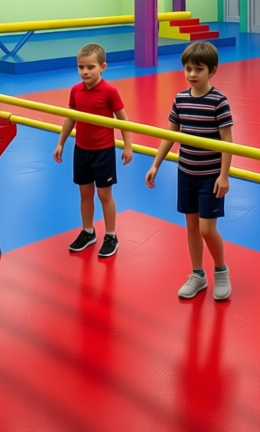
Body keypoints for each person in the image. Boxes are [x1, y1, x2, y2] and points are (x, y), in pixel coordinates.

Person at [146, 42, 234, 301]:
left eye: (199, 69)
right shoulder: (180, 98)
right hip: (186, 173)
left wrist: (224, 175)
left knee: (207, 229)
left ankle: (221, 270)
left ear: (212, 71)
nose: (192, 74)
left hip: (210, 176)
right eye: (188, 69)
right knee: (192, 227)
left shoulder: (219, 101)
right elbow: (170, 134)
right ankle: (198, 274)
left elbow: (227, 141)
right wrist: (156, 164)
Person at [54, 43, 135, 258]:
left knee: (104, 194)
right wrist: (61, 142)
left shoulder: (110, 92)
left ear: (102, 67)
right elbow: (71, 117)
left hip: (103, 151)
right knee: (85, 193)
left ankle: (111, 236)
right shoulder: (75, 90)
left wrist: (128, 145)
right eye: (81, 67)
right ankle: (88, 231)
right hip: (81, 150)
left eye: (90, 67)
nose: (85, 71)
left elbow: (123, 119)